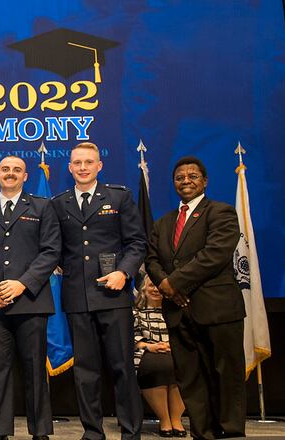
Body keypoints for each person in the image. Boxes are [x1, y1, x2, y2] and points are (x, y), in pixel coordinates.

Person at [145, 156, 245, 440]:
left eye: (192, 176)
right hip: (178, 313)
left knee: (226, 377)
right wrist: (165, 287)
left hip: (217, 310)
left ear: (205, 181)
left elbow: (214, 255)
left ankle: (231, 432)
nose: (186, 181)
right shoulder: (163, 223)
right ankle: (203, 433)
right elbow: (152, 259)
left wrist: (173, 284)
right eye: (180, 177)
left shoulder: (221, 212)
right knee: (191, 378)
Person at [51, 141, 147, 440]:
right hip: (77, 298)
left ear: (99, 165)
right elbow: (53, 247)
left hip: (114, 296)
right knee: (86, 371)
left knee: (122, 368)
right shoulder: (59, 203)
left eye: (88, 162)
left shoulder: (119, 197)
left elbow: (137, 243)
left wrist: (124, 272)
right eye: (77, 163)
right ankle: (92, 432)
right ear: (69, 167)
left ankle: (131, 432)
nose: (82, 167)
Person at [0, 156, 60, 440]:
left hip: (31, 302)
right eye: (5, 169)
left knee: (34, 371)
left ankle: (40, 431)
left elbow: (51, 251)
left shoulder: (43, 207)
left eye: (16, 170)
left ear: (25, 176)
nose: (10, 174)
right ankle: (0, 431)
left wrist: (22, 284)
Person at [133, 273, 186, 437]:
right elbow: (131, 339)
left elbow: (185, 336)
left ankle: (176, 419)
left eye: (158, 286)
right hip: (146, 353)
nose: (155, 289)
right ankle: (165, 420)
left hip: (173, 351)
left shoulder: (176, 313)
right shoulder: (136, 313)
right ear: (143, 289)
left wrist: (173, 345)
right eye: (151, 286)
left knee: (179, 364)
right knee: (158, 364)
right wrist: (150, 346)